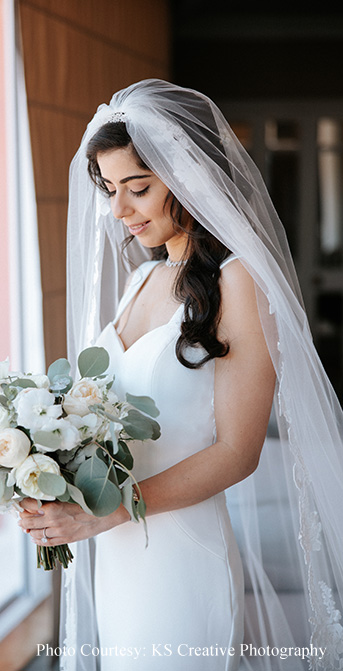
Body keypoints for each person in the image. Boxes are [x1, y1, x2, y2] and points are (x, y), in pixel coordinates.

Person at [18, 80, 343, 670]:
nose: (119, 210)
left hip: (179, 550)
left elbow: (239, 452)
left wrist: (110, 509)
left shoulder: (240, 282)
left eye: (138, 188)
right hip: (115, 550)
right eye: (111, 190)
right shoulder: (143, 279)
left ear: (189, 176)